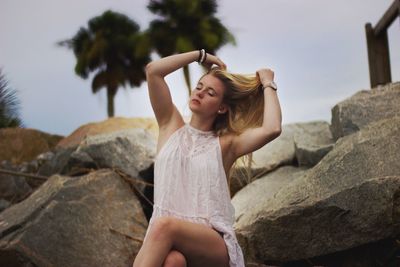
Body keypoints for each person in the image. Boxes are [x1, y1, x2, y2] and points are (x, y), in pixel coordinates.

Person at [132, 50, 282, 267]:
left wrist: (268, 83)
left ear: (221, 107)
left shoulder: (225, 144)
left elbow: (272, 128)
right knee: (173, 261)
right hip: (169, 240)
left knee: (164, 226)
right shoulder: (169, 125)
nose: (200, 93)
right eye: (199, 87)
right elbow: (153, 71)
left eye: (210, 93)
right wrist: (200, 56)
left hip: (212, 244)